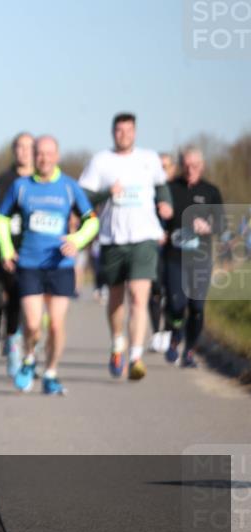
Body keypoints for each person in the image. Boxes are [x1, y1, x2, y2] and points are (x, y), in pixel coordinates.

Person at [0, 136, 99, 394]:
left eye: (49, 154)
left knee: (55, 324)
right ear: (33, 156)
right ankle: (29, 357)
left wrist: (77, 239)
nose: (44, 158)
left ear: (57, 156)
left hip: (61, 265)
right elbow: (0, 219)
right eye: (39, 153)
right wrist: (7, 249)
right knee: (32, 323)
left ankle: (51, 372)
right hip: (29, 263)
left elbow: (92, 221)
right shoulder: (21, 186)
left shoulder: (69, 187)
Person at [79, 113, 173, 381]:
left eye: (128, 130)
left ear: (135, 132)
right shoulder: (100, 161)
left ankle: (136, 357)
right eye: (119, 130)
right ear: (112, 132)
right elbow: (83, 196)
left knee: (139, 296)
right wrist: (107, 193)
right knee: (117, 298)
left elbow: (161, 186)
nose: (124, 135)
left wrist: (165, 204)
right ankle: (117, 343)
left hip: (144, 236)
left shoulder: (149, 158)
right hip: (112, 238)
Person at [162, 147, 224, 368]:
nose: (190, 170)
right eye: (186, 166)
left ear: (202, 166)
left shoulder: (211, 191)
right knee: (176, 303)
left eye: (195, 166)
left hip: (200, 258)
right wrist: (161, 231)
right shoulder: (170, 188)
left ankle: (189, 351)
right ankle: (175, 334)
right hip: (173, 256)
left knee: (196, 307)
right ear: (181, 165)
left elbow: (222, 223)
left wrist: (208, 226)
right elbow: (157, 217)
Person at [0, 133, 35, 374]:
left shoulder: (42, 179)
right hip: (9, 251)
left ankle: (32, 350)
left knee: (35, 308)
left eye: (28, 147)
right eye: (19, 147)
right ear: (14, 151)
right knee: (13, 302)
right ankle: (14, 345)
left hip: (36, 248)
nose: (23, 152)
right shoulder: (4, 179)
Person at [148, 152, 179, 354]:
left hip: (175, 250)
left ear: (173, 168)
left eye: (166, 166)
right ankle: (156, 333)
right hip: (154, 248)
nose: (163, 170)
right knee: (155, 292)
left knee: (173, 292)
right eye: (160, 166)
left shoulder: (179, 190)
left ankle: (168, 331)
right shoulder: (150, 190)